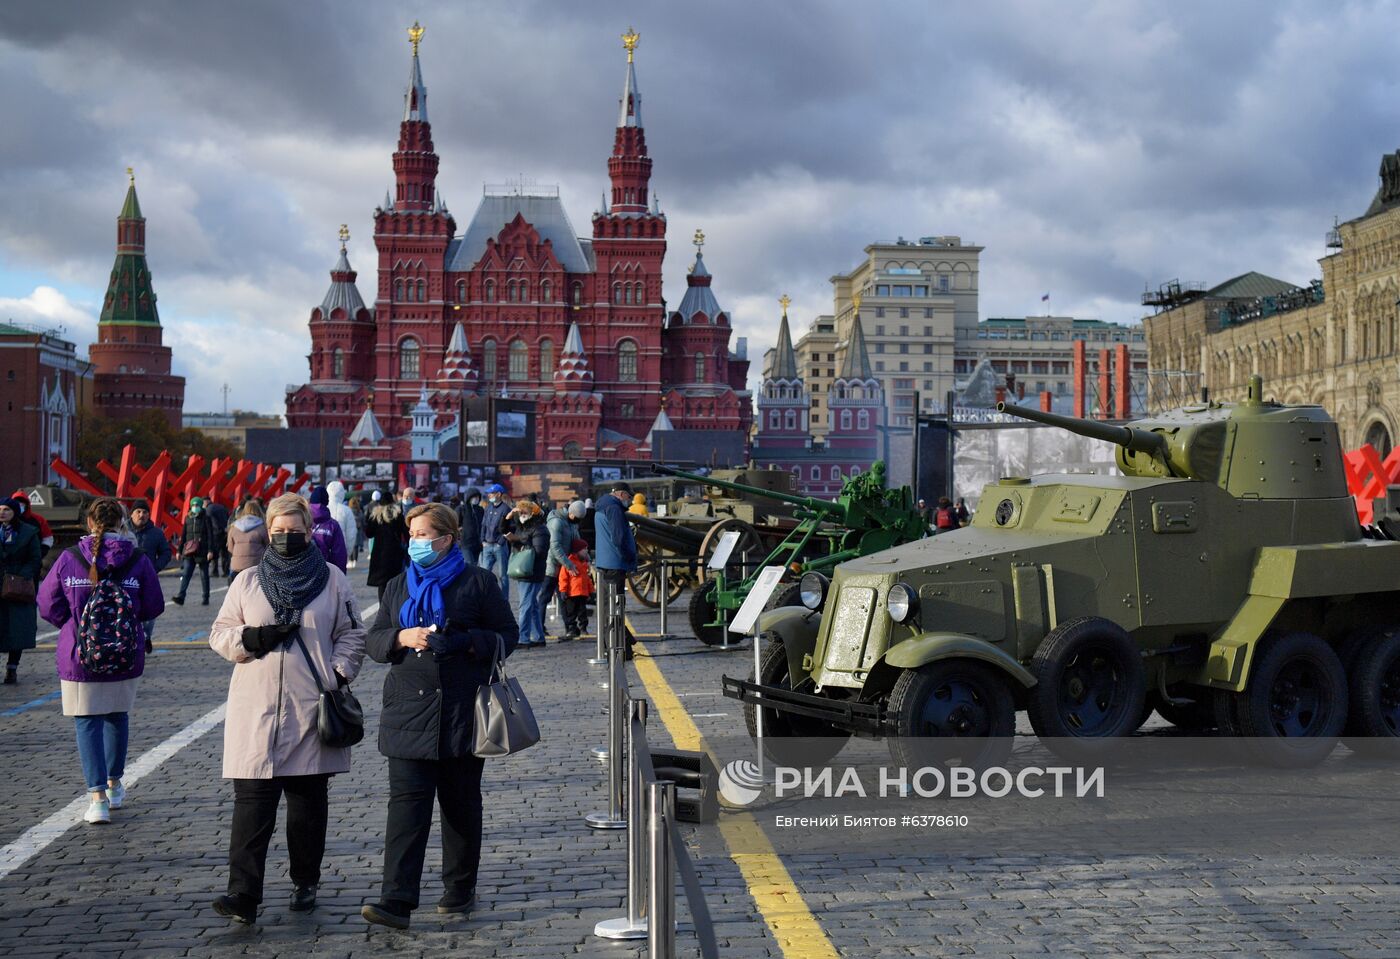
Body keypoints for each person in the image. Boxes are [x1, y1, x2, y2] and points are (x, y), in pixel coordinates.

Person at [207, 493, 367, 925]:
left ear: (309, 531)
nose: (284, 538)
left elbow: (353, 634)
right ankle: (243, 893)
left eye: (293, 531)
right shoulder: (247, 581)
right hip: (255, 709)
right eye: (277, 531)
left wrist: (338, 673)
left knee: (306, 808)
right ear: (266, 532)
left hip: (309, 709)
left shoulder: (332, 579)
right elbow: (220, 633)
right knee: (251, 807)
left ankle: (305, 880)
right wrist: (251, 638)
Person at [361, 503, 518, 929]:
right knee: (406, 810)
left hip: (462, 712)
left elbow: (508, 635)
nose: (416, 542)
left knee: (460, 806)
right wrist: (400, 636)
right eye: (412, 535)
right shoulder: (397, 586)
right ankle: (395, 899)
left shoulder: (478, 583)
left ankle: (459, 887)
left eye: (424, 534)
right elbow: (374, 643)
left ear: (447, 538)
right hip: (408, 713)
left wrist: (466, 642)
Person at [38, 497, 163, 825]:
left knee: (86, 720)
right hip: (125, 652)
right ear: (122, 523)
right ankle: (115, 783)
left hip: (80, 655)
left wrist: (75, 624)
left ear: (89, 524)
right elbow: (153, 605)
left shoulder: (69, 558)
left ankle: (97, 799)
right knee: (116, 715)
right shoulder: (137, 558)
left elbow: (47, 604)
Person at [0, 497, 42, 684]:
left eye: (7, 509)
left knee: (17, 629)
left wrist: (21, 576)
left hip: (18, 587)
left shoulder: (28, 532)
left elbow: (35, 559)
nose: (2, 512)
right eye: (0, 509)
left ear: (15, 512)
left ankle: (12, 667)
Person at [593, 483, 638, 646]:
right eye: (629, 496)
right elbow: (618, 538)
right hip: (615, 564)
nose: (630, 500)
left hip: (605, 562)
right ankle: (616, 644)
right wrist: (628, 556)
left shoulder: (602, 506)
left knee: (608, 606)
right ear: (621, 494)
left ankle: (614, 642)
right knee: (616, 606)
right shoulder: (614, 509)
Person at [501, 499, 549, 648]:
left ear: (532, 513)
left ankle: (523, 638)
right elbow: (502, 530)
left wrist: (518, 541)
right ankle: (539, 637)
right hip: (524, 571)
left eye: (524, 512)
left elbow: (539, 551)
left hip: (532, 573)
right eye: (520, 512)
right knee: (532, 605)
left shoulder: (540, 529)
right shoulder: (523, 527)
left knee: (525, 606)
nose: (521, 514)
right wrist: (508, 516)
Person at [128, 499, 173, 653]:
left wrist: (155, 567)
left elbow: (166, 552)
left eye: (145, 512)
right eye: (138, 512)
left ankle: (146, 636)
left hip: (148, 578)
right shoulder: (122, 531)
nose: (142, 515)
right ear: (131, 514)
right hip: (127, 577)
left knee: (150, 609)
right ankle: (132, 638)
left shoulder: (156, 533)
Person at [542, 500, 581, 637]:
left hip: (563, 566)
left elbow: (575, 540)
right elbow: (555, 547)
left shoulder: (571, 523)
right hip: (552, 566)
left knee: (564, 598)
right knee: (544, 598)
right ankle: (539, 627)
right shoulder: (557, 522)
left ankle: (570, 627)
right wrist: (568, 564)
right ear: (571, 514)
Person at [365, 491, 408, 604]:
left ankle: (383, 608)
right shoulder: (398, 514)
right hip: (395, 553)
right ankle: (393, 608)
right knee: (395, 582)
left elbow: (369, 533)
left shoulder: (376, 515)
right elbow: (406, 532)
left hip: (380, 554)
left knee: (382, 584)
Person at [173, 496, 216, 606]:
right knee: (186, 574)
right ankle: (181, 596)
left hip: (202, 550)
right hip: (189, 551)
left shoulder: (206, 518)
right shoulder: (188, 518)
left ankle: (206, 597)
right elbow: (183, 535)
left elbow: (211, 535)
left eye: (197, 505)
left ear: (201, 506)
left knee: (204, 576)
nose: (195, 507)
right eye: (193, 505)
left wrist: (210, 550)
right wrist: (179, 550)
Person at [477, 484, 512, 600]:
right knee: (484, 573)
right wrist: (482, 540)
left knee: (503, 575)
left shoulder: (506, 509)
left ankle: (504, 599)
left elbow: (510, 528)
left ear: (499, 494)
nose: (489, 495)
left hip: (499, 546)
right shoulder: (488, 508)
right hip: (487, 545)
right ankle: (484, 597)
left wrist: (501, 541)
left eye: (491, 493)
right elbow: (483, 525)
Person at [557, 536, 593, 641]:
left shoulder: (584, 563)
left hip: (582, 593)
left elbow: (588, 579)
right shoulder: (569, 562)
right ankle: (572, 628)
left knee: (582, 612)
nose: (586, 551)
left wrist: (591, 591)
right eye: (584, 549)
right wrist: (563, 590)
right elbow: (563, 578)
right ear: (577, 551)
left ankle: (583, 628)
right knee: (571, 613)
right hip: (572, 594)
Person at [227, 499, 270, 584]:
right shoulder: (262, 526)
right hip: (255, 565)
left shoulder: (234, 526)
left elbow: (230, 548)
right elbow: (268, 547)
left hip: (237, 565)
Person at [307, 487, 348, 573]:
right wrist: (340, 576)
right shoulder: (333, 525)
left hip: (302, 574)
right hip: (325, 573)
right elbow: (339, 553)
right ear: (327, 502)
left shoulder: (301, 521)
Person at [326, 481, 359, 570]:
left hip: (323, 553)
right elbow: (351, 534)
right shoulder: (346, 510)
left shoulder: (324, 508)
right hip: (341, 551)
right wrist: (347, 552)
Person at [456, 489, 483, 568]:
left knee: (474, 565)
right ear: (468, 497)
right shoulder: (461, 509)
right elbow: (455, 523)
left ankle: (472, 580)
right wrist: (459, 530)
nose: (476, 499)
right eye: (474, 497)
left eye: (478, 497)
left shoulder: (480, 510)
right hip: (465, 543)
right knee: (469, 563)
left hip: (477, 544)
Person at [206, 498, 231, 578]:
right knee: (225, 554)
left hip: (216, 533)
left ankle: (214, 571)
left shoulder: (208, 509)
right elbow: (228, 517)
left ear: (206, 502)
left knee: (215, 553)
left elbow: (210, 522)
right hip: (225, 532)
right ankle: (226, 571)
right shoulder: (222, 507)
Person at [347, 494, 366, 568]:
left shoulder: (348, 511)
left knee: (351, 545)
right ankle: (355, 560)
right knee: (356, 546)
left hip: (350, 529)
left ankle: (351, 560)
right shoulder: (359, 511)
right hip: (358, 529)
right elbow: (363, 520)